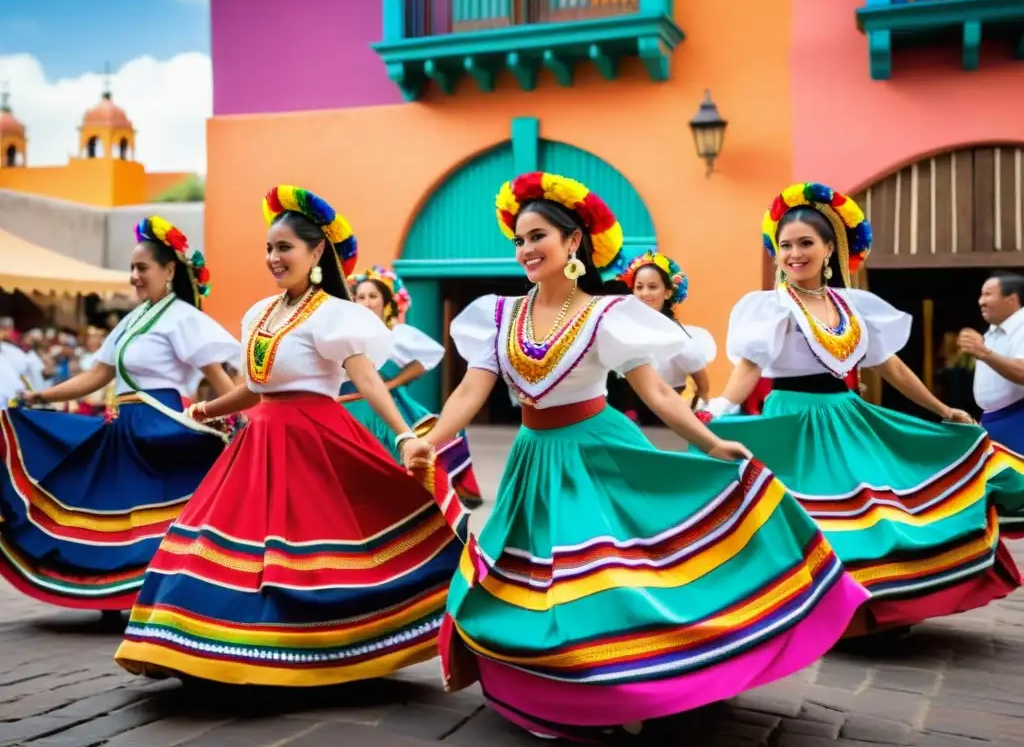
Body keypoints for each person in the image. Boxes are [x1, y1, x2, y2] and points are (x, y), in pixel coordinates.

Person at [403, 172, 868, 741]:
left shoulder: (608, 314)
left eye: (538, 236)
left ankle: (632, 683)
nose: (526, 249)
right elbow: (471, 391)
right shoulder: (496, 316)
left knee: (608, 578)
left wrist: (712, 442)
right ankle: (562, 689)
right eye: (519, 239)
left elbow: (654, 393)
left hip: (599, 454)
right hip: (533, 462)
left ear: (573, 243)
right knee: (536, 580)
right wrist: (432, 436)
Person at [115, 186, 465, 687]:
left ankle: (310, 650)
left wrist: (405, 434)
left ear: (317, 252)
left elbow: (365, 378)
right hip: (256, 443)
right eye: (269, 248)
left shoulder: (335, 314)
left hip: (312, 442)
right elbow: (255, 390)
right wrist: (209, 407)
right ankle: (201, 644)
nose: (274, 258)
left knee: (297, 556)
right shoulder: (259, 313)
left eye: (285, 248)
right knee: (225, 544)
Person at [698, 183, 1024, 639]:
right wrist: (720, 410)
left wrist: (942, 408)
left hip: (846, 417)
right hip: (793, 422)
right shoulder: (768, 307)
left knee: (877, 514)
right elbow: (749, 367)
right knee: (811, 518)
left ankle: (876, 606)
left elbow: (889, 365)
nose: (794, 253)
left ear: (829, 248)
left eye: (806, 243)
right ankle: (815, 610)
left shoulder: (852, 307)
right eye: (785, 245)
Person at [0, 217, 239, 613]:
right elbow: (97, 375)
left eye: (142, 268)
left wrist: (245, 421)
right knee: (120, 512)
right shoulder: (131, 322)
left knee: (163, 518)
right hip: (126, 431)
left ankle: (167, 595)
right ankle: (120, 592)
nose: (134, 276)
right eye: (132, 268)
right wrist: (39, 395)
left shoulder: (183, 318)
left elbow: (220, 379)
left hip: (164, 433)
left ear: (169, 270)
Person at [341, 265, 482, 508]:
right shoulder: (342, 334)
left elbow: (425, 360)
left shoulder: (396, 334)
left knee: (438, 436)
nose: (366, 302)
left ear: (385, 302)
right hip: (350, 404)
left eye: (372, 296)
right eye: (360, 297)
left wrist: (392, 384)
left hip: (388, 404)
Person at [614, 250, 716, 422]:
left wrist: (696, 413)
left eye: (652, 287)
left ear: (667, 293)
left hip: (666, 423)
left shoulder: (678, 337)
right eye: (639, 287)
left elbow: (703, 387)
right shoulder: (623, 330)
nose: (644, 293)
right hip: (626, 421)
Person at [959, 272, 1024, 457]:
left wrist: (984, 353)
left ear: (1011, 299)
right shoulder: (991, 332)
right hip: (992, 421)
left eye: (988, 294)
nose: (981, 301)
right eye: (981, 295)